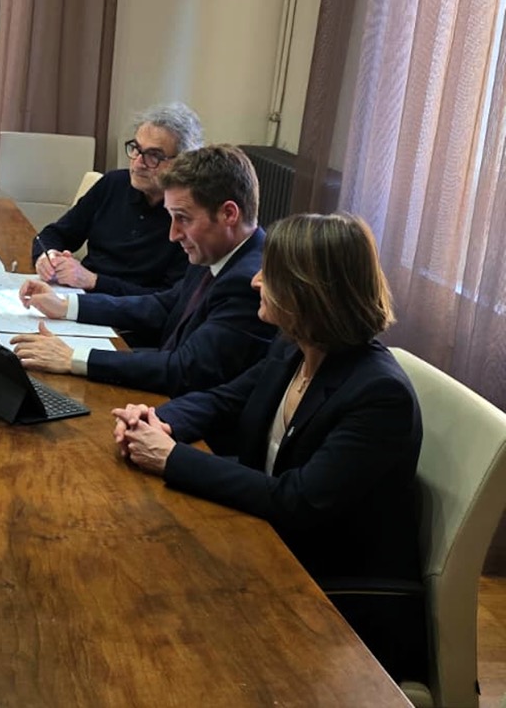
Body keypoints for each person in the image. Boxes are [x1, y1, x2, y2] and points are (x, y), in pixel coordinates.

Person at [114, 213, 424, 679]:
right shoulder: (295, 348)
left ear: (308, 291)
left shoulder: (380, 395)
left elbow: (296, 500)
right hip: (269, 546)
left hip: (334, 596)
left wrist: (171, 458)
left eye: (269, 273)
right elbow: (224, 399)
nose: (255, 280)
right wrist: (159, 420)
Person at [13, 145, 275, 396]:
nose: (173, 234)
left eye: (183, 218)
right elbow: (161, 306)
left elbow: (186, 369)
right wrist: (66, 306)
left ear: (229, 214)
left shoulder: (250, 282)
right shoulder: (216, 252)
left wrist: (74, 358)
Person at [32, 103, 201, 295]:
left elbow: (167, 299)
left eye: (154, 155)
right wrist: (47, 257)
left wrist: (94, 281)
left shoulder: (188, 216)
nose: (138, 162)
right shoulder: (113, 183)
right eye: (136, 149)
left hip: (128, 310)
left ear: (182, 162)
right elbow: (55, 234)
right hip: (77, 296)